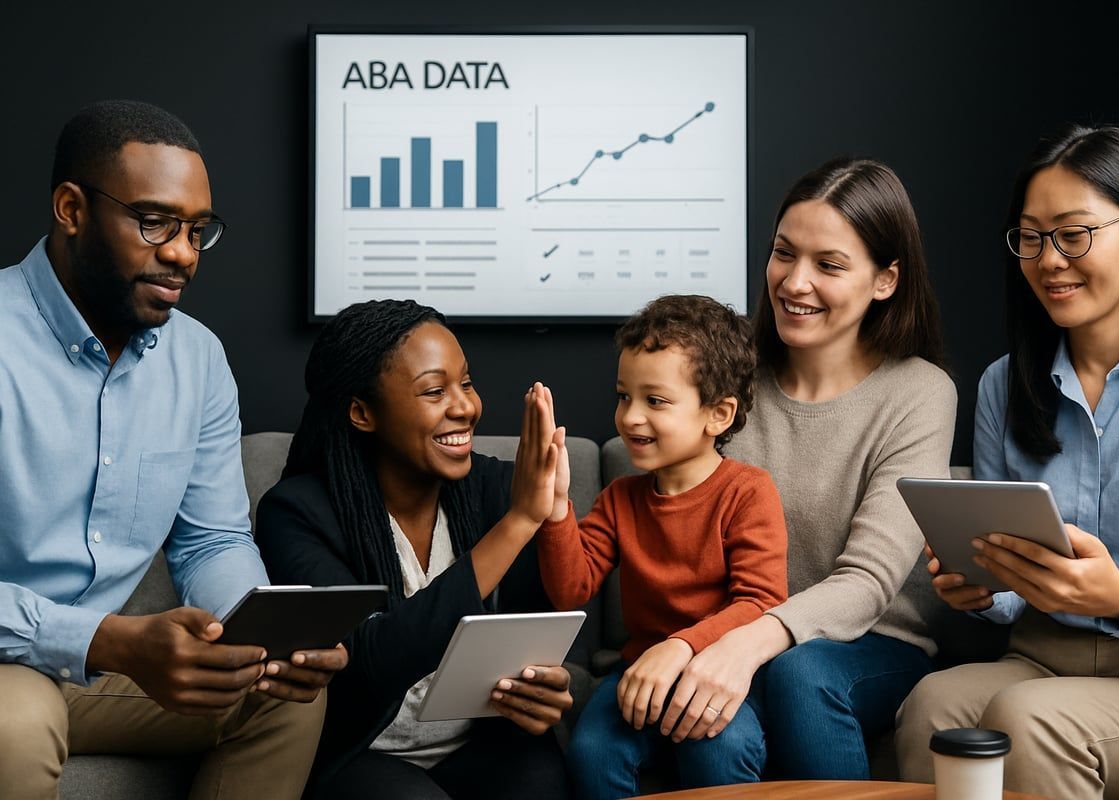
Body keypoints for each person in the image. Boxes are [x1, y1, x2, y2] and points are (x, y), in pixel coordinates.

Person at [0, 100, 346, 800]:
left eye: (196, 230)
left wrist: (258, 635)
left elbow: (211, 539)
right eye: (155, 221)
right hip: (13, 672)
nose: (183, 252)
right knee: (17, 720)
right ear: (71, 208)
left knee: (283, 695)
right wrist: (108, 640)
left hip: (99, 673)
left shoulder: (199, 359)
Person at [896, 125, 1119, 799]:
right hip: (1044, 656)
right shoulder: (1007, 383)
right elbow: (1007, 599)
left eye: (1074, 233)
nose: (1049, 259)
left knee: (1031, 722)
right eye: (1030, 237)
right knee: (932, 708)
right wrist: (979, 587)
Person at [645, 159, 957, 780]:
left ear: (885, 280)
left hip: (869, 645)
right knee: (711, 725)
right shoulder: (729, 382)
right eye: (784, 254)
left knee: (800, 671)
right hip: (740, 635)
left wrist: (743, 643)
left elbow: (868, 582)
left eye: (829, 265)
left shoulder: (919, 393)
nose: (794, 282)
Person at [254, 299, 573, 800]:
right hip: (363, 752)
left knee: (543, 782)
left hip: (479, 742)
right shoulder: (297, 513)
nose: (465, 407)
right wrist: (520, 522)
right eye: (434, 390)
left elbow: (542, 628)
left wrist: (545, 686)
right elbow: (370, 660)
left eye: (466, 383)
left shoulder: (497, 488)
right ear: (362, 412)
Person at [536, 294, 789, 799]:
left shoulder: (748, 491)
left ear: (717, 415)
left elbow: (761, 602)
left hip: (719, 679)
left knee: (716, 749)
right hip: (639, 678)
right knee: (592, 752)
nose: (630, 417)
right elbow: (570, 590)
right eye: (624, 396)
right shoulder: (621, 498)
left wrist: (684, 648)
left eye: (655, 401)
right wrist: (557, 505)